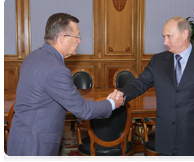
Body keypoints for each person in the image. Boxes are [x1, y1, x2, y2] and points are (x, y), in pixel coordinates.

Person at [5, 13, 124, 161]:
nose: (80, 41)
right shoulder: (56, 69)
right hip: (35, 146)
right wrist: (112, 103)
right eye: (77, 36)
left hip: (21, 138)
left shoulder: (34, 56)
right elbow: (83, 110)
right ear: (63, 39)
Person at [116, 17, 194, 160]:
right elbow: (140, 83)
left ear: (185, 34)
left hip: (193, 137)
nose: (165, 42)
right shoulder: (158, 61)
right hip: (166, 136)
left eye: (169, 36)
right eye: (164, 37)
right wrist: (121, 94)